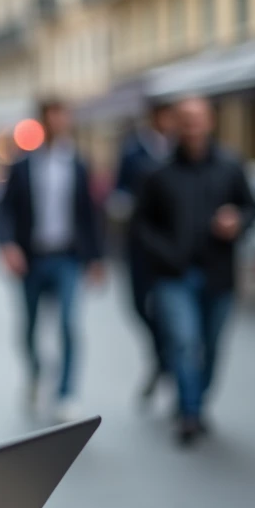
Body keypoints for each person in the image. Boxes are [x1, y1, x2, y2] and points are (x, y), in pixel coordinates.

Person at [131, 96, 255, 446]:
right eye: (184, 120)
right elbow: (141, 226)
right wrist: (165, 255)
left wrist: (238, 221)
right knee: (185, 342)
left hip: (219, 273)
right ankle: (189, 413)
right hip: (175, 275)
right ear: (174, 124)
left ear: (209, 122)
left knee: (213, 347)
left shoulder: (230, 167)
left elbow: (251, 209)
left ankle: (195, 400)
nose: (191, 127)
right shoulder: (157, 173)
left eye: (197, 119)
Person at [0, 99, 104, 423]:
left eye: (63, 116)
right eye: (52, 116)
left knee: (69, 324)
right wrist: (8, 245)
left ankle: (67, 392)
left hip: (67, 257)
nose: (59, 122)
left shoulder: (79, 164)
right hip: (32, 259)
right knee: (29, 327)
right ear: (42, 121)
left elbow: (89, 214)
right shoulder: (22, 165)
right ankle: (35, 372)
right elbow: (4, 210)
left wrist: (97, 258)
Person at [112, 103, 177, 407]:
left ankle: (167, 362)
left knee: (171, 309)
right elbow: (120, 189)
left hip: (173, 247)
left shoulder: (179, 149)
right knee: (138, 305)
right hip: (139, 242)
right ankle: (162, 353)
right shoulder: (133, 151)